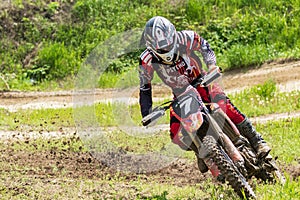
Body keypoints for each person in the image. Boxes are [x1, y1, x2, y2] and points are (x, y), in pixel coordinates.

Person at [138, 16, 271, 174]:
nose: (166, 49)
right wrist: (147, 113)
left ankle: (257, 140)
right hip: (180, 94)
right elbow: (145, 87)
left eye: (168, 44)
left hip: (200, 81)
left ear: (173, 35)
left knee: (222, 103)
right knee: (175, 132)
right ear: (151, 46)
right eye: (161, 48)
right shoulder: (146, 59)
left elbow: (205, 47)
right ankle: (200, 150)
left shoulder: (186, 38)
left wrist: (212, 66)